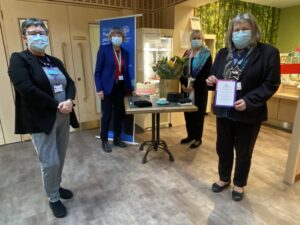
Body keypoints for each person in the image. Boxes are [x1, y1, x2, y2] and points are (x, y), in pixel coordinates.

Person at [8, 18, 79, 218]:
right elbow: (25, 88)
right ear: (24, 38)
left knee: (61, 156)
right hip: (41, 119)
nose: (38, 36)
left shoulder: (54, 61)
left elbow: (70, 83)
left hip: (63, 116)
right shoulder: (19, 59)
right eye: (33, 33)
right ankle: (53, 198)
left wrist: (70, 100)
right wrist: (57, 104)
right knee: (50, 162)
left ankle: (56, 186)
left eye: (41, 32)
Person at [206, 13, 281, 201]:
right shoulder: (223, 53)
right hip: (224, 111)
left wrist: (249, 100)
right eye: (236, 30)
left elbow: (271, 83)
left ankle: (239, 183)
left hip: (249, 113)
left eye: (244, 29)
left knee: (244, 151)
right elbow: (214, 77)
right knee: (223, 147)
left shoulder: (268, 52)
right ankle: (224, 178)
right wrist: (211, 80)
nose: (240, 33)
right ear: (231, 33)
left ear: (254, 31)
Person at [94, 27, 134, 153]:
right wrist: (99, 88)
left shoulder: (125, 53)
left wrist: (131, 89)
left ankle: (117, 138)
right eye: (114, 35)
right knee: (106, 115)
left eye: (119, 35)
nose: (117, 37)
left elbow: (126, 73)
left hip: (120, 88)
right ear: (111, 37)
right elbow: (97, 71)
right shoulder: (104, 50)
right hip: (106, 88)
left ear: (123, 38)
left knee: (119, 114)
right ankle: (104, 140)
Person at [180, 29, 212, 148]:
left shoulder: (206, 54)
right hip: (186, 88)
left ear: (203, 40)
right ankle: (190, 135)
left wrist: (193, 86)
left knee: (198, 114)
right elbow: (181, 70)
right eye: (194, 38)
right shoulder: (187, 53)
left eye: (199, 38)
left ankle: (198, 138)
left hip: (199, 89)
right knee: (187, 113)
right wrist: (183, 85)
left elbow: (206, 73)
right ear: (190, 40)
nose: (196, 40)